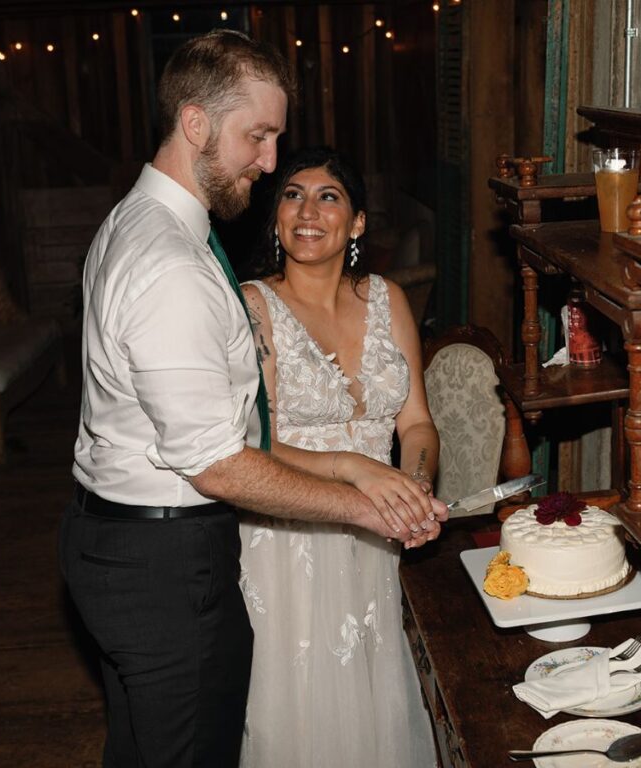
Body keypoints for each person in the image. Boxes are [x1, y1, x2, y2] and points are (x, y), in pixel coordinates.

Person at [58, 32, 445, 768]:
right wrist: (365, 498)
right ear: (198, 124)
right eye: (259, 137)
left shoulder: (150, 226)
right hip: (162, 559)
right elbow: (219, 462)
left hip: (132, 545)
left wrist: (394, 481)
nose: (270, 163)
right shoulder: (171, 262)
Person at [238, 147, 439, 768]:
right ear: (275, 218)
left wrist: (414, 490)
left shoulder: (388, 298)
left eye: (329, 197)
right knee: (295, 707)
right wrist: (354, 467)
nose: (307, 210)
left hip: (373, 541)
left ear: (356, 224)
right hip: (287, 538)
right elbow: (254, 444)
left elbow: (417, 423)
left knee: (372, 697)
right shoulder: (252, 305)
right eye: (292, 195)